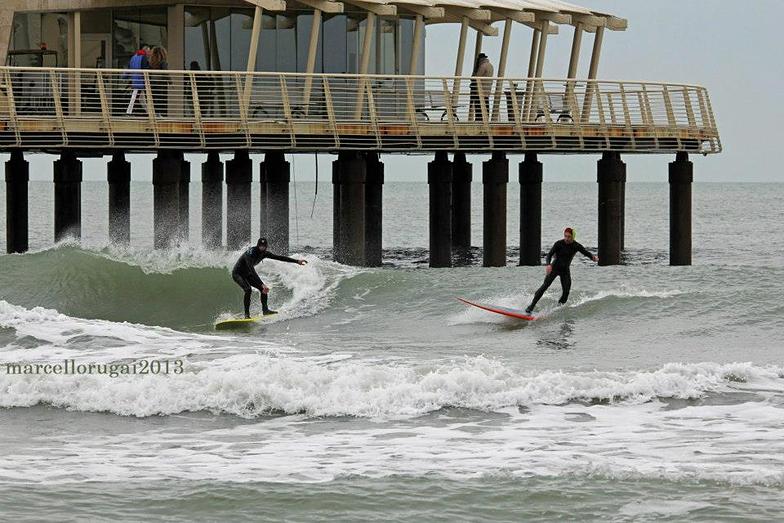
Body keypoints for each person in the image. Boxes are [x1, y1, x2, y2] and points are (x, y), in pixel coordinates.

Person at [525, 227, 598, 314]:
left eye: (569, 237)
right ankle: (531, 306)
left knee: (566, 293)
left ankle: (557, 309)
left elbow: (585, 252)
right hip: (554, 268)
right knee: (545, 286)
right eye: (565, 236)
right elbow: (549, 255)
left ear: (573, 237)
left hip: (565, 271)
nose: (566, 238)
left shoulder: (576, 246)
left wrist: (593, 258)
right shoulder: (558, 244)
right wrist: (548, 265)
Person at [232, 238, 307, 318]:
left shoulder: (264, 253)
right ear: (258, 245)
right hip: (238, 274)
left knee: (263, 289)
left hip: (247, 274)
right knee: (248, 289)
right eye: (260, 246)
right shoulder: (250, 253)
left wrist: (297, 261)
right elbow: (251, 269)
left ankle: (265, 310)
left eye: (264, 246)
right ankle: (247, 315)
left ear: (266, 246)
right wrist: (262, 284)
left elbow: (279, 258)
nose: (262, 248)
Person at [469, 53, 494, 121]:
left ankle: (479, 120)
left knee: (479, 107)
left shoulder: (483, 66)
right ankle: (485, 119)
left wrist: (474, 72)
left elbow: (476, 77)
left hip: (480, 90)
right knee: (485, 106)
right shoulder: (490, 65)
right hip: (487, 89)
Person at [126, 46, 150, 115]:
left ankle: (149, 112)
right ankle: (129, 112)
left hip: (135, 78)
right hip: (140, 80)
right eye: (148, 51)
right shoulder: (143, 57)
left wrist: (125, 76)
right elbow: (144, 68)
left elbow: (129, 67)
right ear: (145, 51)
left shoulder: (134, 57)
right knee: (135, 95)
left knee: (141, 98)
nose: (149, 53)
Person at [148, 46, 170, 117]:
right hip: (161, 82)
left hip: (152, 82)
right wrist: (170, 81)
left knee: (154, 99)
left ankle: (155, 113)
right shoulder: (163, 62)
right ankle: (160, 114)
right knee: (161, 98)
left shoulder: (151, 62)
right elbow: (165, 72)